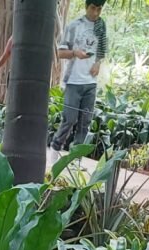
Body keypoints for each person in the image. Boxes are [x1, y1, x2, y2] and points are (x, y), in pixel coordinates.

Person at [51, 1, 108, 152]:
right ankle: (56, 147)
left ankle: (76, 156)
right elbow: (60, 52)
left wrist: (98, 63)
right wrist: (75, 53)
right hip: (73, 81)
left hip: (91, 83)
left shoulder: (101, 27)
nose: (95, 13)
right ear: (86, 7)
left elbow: (101, 52)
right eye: (93, 8)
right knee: (69, 119)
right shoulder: (74, 26)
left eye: (99, 9)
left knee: (85, 122)